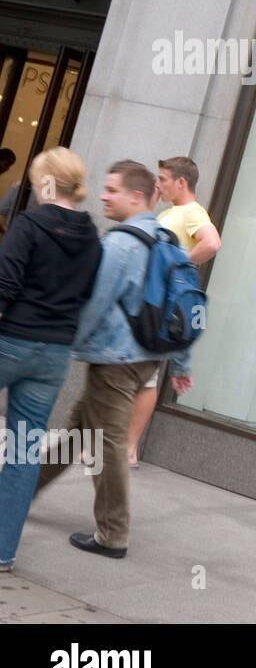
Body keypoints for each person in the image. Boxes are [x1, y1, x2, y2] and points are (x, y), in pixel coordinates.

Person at [33, 160, 193, 559]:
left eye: (112, 190)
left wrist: (65, 346)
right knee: (76, 434)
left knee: (106, 444)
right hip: (146, 360)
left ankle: (113, 534)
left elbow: (94, 303)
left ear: (136, 196)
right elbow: (184, 305)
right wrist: (182, 364)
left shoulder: (121, 244)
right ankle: (16, 490)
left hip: (115, 360)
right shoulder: (169, 241)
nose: (103, 196)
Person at [0, 148, 101, 571]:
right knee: (24, 452)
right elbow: (88, 296)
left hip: (11, 341)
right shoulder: (93, 238)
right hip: (54, 355)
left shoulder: (30, 224)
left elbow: (4, 283)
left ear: (45, 183)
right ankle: (3, 551)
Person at [124, 156, 220, 467]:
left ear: (181, 182)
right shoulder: (169, 212)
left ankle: (127, 448)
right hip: (149, 302)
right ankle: (121, 448)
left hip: (158, 305)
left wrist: (181, 264)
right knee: (142, 377)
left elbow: (213, 242)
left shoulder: (192, 212)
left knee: (144, 378)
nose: (158, 184)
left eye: (163, 179)